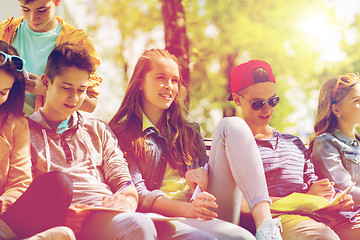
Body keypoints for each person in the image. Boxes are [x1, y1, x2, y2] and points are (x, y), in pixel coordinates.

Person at [109, 49, 282, 240]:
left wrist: (197, 175)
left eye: (174, 80)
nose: (169, 86)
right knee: (243, 239)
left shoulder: (189, 130)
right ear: (140, 82)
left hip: (204, 211)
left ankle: (267, 227)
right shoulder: (121, 133)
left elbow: (207, 176)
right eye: (161, 78)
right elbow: (138, 194)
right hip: (161, 220)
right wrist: (187, 209)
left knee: (231, 123)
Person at [28, 42, 157, 240]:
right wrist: (55, 216)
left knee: (143, 225)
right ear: (45, 83)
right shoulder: (23, 131)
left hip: (104, 213)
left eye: (81, 90)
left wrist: (127, 202)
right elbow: (20, 193)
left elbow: (124, 181)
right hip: (57, 224)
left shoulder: (98, 130)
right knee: (138, 227)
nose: (74, 98)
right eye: (66, 88)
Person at [229, 59, 360, 240]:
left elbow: (314, 188)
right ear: (237, 99)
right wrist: (304, 200)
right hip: (272, 222)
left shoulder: (294, 143)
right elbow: (240, 204)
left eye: (273, 100)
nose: (268, 109)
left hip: (312, 219)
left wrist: (333, 200)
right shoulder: (234, 145)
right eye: (258, 103)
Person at [0, 40, 75, 240]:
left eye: (3, 92)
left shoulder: (16, 124)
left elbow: (20, 182)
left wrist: (2, 205)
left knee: (59, 184)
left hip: (5, 218)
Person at [0, 0, 102, 116]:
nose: (33, 18)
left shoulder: (78, 42)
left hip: (47, 130)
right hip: (6, 123)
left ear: (57, 1)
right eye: (26, 9)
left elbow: (91, 104)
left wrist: (45, 89)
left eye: (42, 10)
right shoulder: (5, 31)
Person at [310, 73, 360, 205]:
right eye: (357, 100)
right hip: (350, 216)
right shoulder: (326, 143)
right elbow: (347, 192)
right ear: (337, 110)